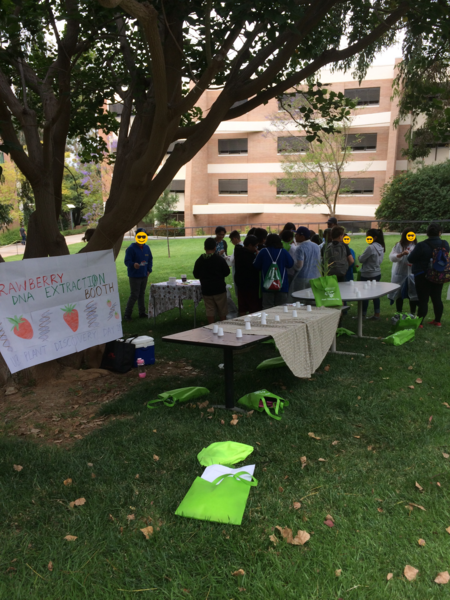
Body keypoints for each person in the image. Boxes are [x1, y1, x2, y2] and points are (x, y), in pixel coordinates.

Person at [408, 222, 450, 327]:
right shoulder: (445, 244)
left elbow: (410, 259)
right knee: (437, 298)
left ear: (427, 233)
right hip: (439, 274)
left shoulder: (421, 245)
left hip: (422, 275)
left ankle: (420, 323)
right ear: (440, 233)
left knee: (423, 299)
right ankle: (437, 321)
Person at [193, 237, 230, 323]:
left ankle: (211, 326)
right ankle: (223, 327)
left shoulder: (199, 260)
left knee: (210, 309)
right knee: (222, 309)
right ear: (215, 248)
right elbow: (226, 272)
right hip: (219, 289)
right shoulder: (219, 259)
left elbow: (196, 274)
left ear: (204, 248)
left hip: (206, 289)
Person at [253, 233, 293, 308]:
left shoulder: (263, 251)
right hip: (281, 285)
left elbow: (256, 266)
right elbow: (290, 264)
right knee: (281, 308)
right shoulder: (283, 251)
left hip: (267, 285)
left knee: (267, 306)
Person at [123, 228, 153, 321]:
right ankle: (127, 314)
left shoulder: (147, 248)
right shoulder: (131, 248)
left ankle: (142, 312)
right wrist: (133, 264)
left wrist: (149, 270)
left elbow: (150, 259)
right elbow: (127, 261)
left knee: (141, 294)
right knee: (134, 294)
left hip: (144, 274)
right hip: (134, 275)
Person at [388, 228, 418, 314]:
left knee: (412, 294)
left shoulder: (416, 246)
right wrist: (401, 254)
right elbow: (392, 257)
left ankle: (412, 313)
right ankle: (399, 312)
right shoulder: (399, 245)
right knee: (399, 294)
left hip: (412, 272)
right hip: (400, 272)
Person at [358, 228, 386, 320]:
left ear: (375, 237)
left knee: (365, 295)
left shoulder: (370, 247)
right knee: (375, 295)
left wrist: (359, 257)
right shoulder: (381, 247)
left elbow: (361, 259)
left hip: (367, 274)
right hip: (377, 273)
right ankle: (377, 314)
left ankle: (362, 314)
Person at [234, 235, 262, 315]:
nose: (256, 248)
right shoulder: (250, 256)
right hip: (251, 285)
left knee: (242, 306)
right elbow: (255, 267)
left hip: (240, 284)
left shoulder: (239, 252)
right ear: (250, 245)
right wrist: (257, 257)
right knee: (253, 307)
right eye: (255, 246)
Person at [289, 226, 320, 297]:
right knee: (313, 299)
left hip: (302, 278)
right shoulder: (316, 246)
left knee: (301, 299)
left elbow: (299, 266)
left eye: (296, 235)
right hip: (316, 277)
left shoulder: (300, 248)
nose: (295, 237)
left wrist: (292, 265)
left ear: (302, 236)